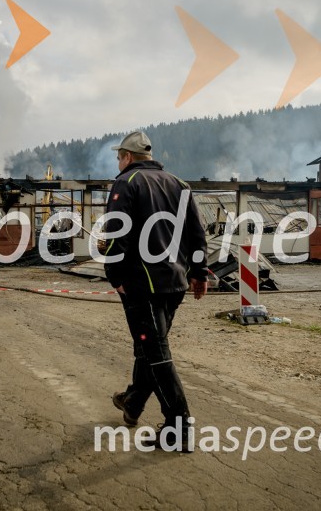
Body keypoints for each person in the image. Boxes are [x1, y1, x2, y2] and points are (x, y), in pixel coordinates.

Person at [104, 131, 210, 452]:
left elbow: (116, 234)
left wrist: (114, 275)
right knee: (149, 348)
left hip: (142, 285)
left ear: (127, 157)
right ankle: (133, 402)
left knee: (156, 353)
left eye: (118, 157)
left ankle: (179, 428)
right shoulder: (180, 185)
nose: (118, 163)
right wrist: (199, 273)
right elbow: (197, 234)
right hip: (175, 283)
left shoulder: (126, 183)